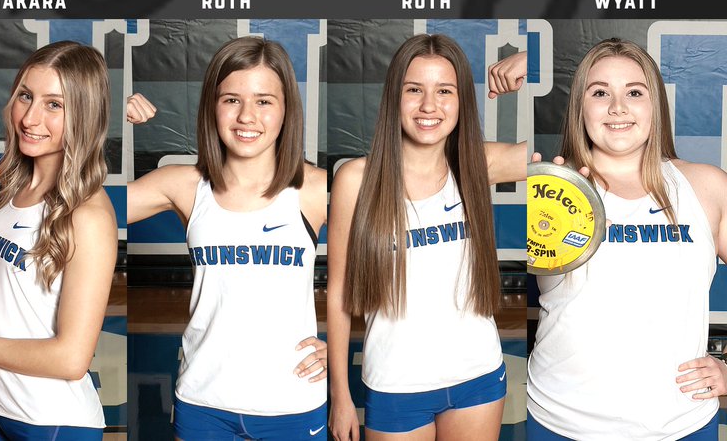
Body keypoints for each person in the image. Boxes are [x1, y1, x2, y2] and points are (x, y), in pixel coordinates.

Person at [127, 36, 329, 441]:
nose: (246, 116)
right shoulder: (183, 186)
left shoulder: (315, 188)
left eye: (264, 101)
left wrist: (338, 346)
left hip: (291, 403)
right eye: (231, 99)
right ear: (212, 107)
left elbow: (398, 247)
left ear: (287, 109)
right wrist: (107, 118)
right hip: (204, 402)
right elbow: (78, 209)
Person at [327, 34, 526, 441]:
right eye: (414, 89)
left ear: (461, 101)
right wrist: (341, 396)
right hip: (396, 384)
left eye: (445, 91)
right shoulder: (357, 179)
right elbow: (339, 293)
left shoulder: (475, 163)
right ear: (393, 97)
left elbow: (570, 152)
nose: (429, 106)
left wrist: (530, 59)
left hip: (478, 377)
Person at [527, 38, 727, 440]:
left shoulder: (705, 187)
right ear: (580, 108)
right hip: (561, 424)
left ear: (655, 106)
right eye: (600, 92)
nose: (618, 107)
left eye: (634, 92)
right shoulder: (548, 192)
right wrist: (543, 192)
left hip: (679, 426)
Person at [0, 41, 118, 440]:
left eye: (54, 105)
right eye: (26, 97)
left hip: (54, 423)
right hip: (4, 410)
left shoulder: (88, 215)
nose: (30, 118)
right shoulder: (15, 189)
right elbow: (11, 296)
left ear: (83, 115)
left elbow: (71, 358)